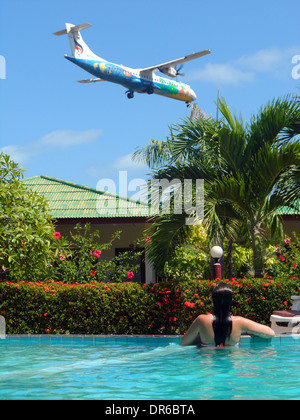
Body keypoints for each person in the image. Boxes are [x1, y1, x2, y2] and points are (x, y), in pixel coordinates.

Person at [180, 282, 275, 347]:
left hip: (207, 369)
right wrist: (247, 331)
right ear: (231, 302)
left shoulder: (202, 320)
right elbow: (270, 333)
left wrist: (201, 336)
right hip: (232, 368)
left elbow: (184, 343)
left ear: (212, 301)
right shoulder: (240, 322)